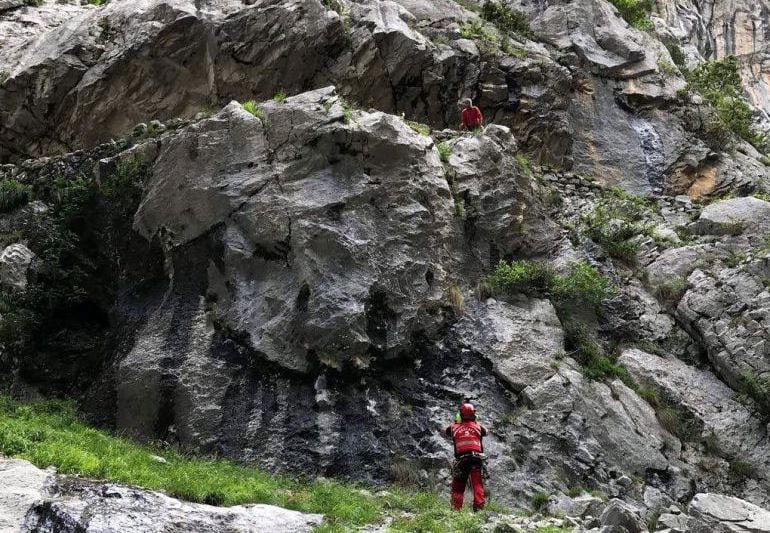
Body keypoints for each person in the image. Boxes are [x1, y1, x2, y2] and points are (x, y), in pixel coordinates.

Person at [444, 402, 488, 511]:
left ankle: (455, 510)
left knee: (458, 487)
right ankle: (479, 508)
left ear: (460, 415)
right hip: (476, 459)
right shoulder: (478, 427)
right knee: (477, 484)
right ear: (474, 415)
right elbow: (486, 432)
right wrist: (475, 422)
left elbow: (446, 431)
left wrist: (457, 422)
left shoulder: (453, 427)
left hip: (462, 460)